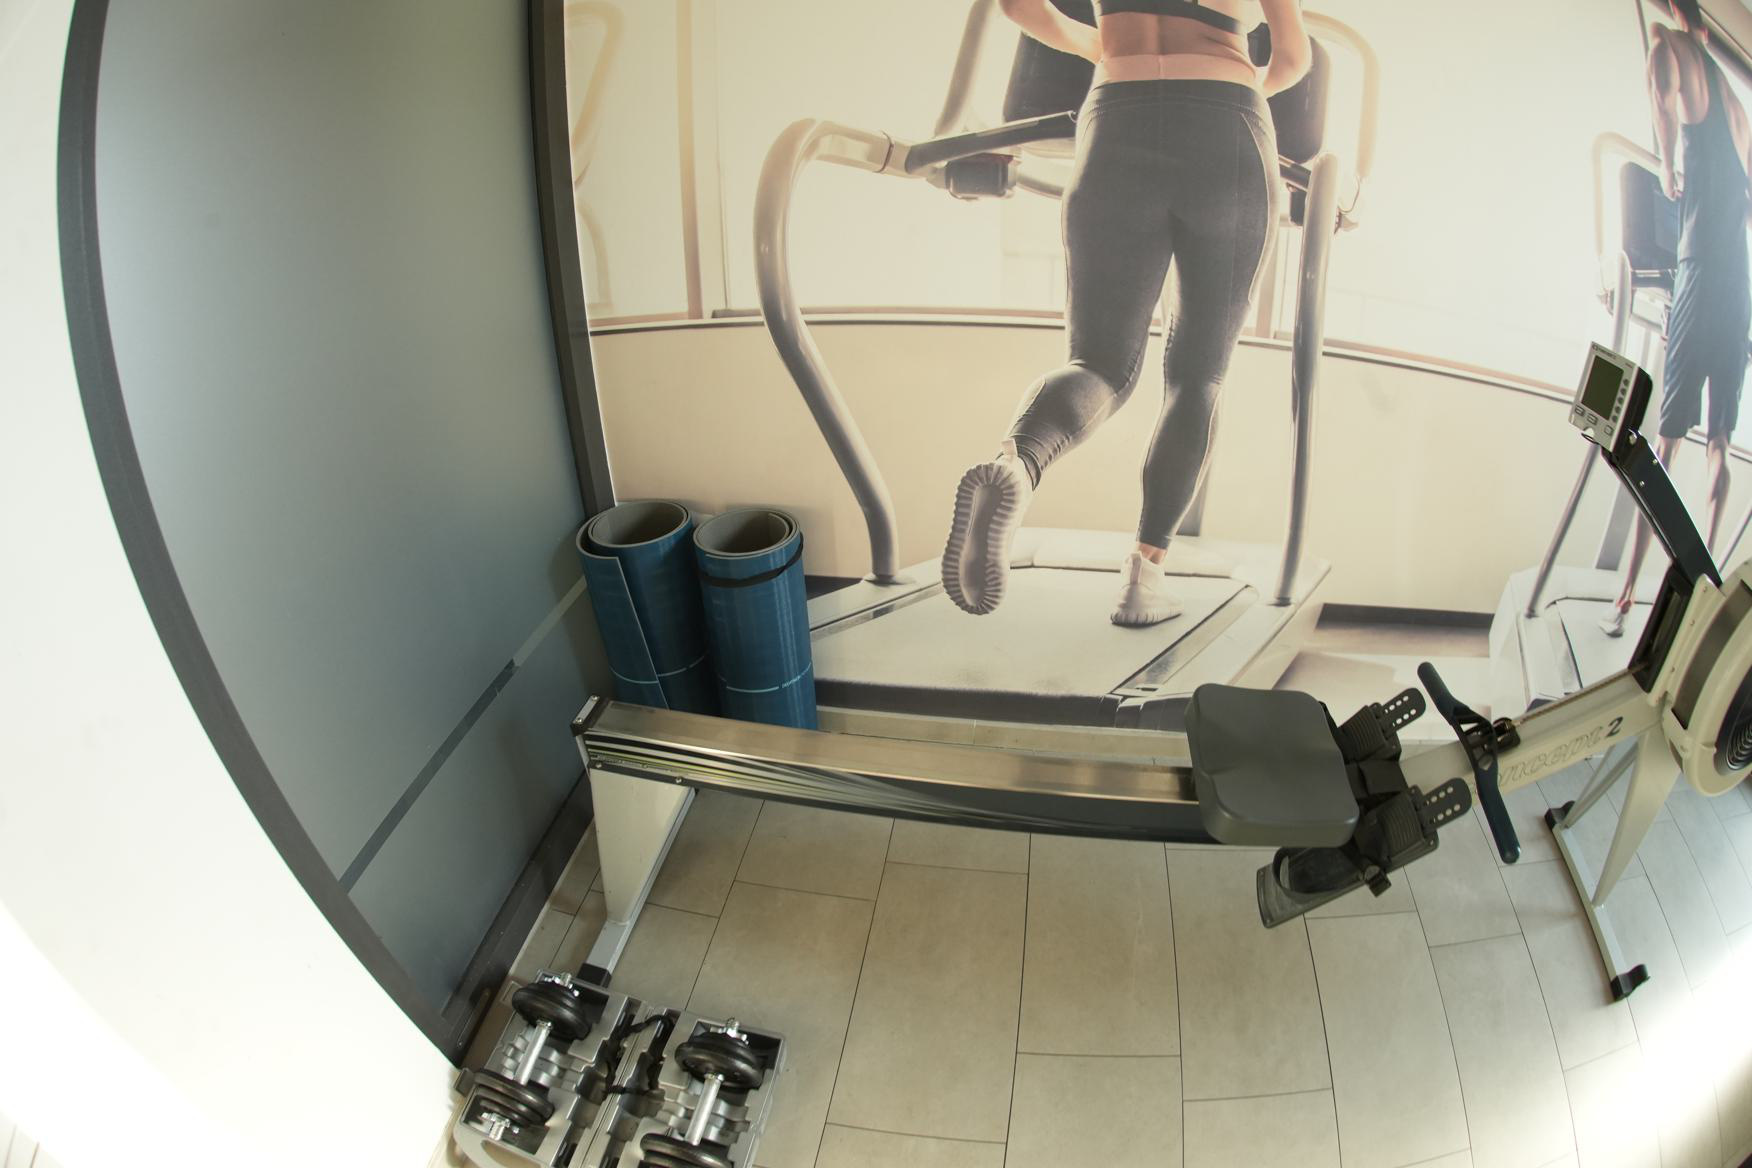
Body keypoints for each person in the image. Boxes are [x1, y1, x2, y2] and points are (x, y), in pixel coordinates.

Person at [939, 0, 1310, 624]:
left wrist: (1105, 44)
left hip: (1118, 112)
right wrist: (1237, 86)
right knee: (1198, 375)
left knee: (1098, 363)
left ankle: (1017, 466)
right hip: (1226, 120)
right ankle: (1144, 577)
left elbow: (1018, 6)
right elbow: (1293, 58)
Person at [1603, 0, 1752, 637]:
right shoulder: (1736, 107)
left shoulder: (1670, 46)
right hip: (1738, 288)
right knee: (1717, 447)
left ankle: (1627, 595)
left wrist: (1667, 166)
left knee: (1661, 447)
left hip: (1698, 273)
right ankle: (1706, 589)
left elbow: (1662, 99)